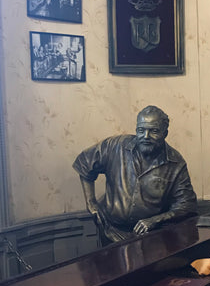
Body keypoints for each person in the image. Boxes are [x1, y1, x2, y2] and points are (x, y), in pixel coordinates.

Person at [73, 105, 197, 244]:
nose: (146, 136)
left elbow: (186, 205)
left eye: (154, 131)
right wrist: (91, 203)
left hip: (150, 237)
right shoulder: (115, 146)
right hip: (110, 230)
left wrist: (154, 220)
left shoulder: (175, 163)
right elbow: (84, 163)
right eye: (141, 130)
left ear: (165, 133)